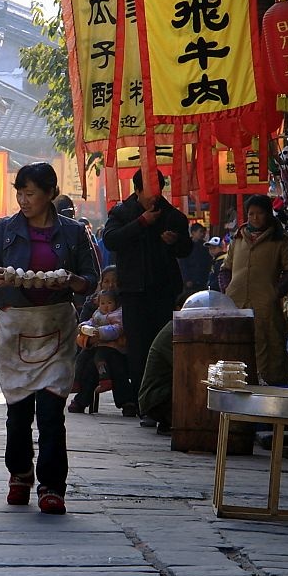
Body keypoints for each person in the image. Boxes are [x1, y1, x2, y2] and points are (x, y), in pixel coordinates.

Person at [0, 162, 98, 515]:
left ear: (50, 194)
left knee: (50, 411)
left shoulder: (73, 233)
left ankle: (52, 485)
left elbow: (92, 277)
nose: (23, 200)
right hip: (16, 328)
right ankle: (20, 472)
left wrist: (73, 282)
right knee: (17, 411)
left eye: (30, 193)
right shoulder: (6, 229)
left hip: (56, 327)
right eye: (20, 193)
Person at [102, 170, 192, 421]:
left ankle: (162, 402)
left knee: (162, 347)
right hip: (133, 291)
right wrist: (141, 222)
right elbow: (110, 240)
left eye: (159, 189)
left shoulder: (172, 215)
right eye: (149, 191)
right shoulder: (122, 213)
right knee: (138, 348)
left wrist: (174, 242)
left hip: (164, 290)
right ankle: (143, 403)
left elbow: (187, 249)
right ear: (138, 190)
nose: (155, 196)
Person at [220, 194, 288, 385]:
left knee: (270, 349)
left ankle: (272, 394)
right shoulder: (237, 239)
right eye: (251, 214)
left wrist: (274, 293)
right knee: (238, 348)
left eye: (259, 213)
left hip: (266, 306)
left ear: (268, 215)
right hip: (237, 305)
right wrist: (227, 291)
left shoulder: (279, 241)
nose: (254, 218)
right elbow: (225, 269)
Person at [68, 289, 129, 415]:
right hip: (94, 347)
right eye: (106, 282)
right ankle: (77, 384)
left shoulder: (119, 312)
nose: (106, 306)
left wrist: (100, 333)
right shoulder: (95, 310)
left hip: (115, 349)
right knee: (84, 360)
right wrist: (85, 330)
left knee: (112, 364)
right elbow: (87, 325)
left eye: (109, 303)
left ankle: (125, 400)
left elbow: (118, 329)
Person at [137, 321, 174, 435]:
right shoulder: (175, 331)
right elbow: (184, 366)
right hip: (156, 400)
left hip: (155, 397)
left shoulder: (174, 327)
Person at [178, 223, 212, 303]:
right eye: (200, 232)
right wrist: (186, 279)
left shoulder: (205, 246)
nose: (202, 234)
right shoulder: (186, 246)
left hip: (203, 279)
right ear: (193, 232)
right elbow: (183, 264)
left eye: (203, 232)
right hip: (191, 280)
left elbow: (208, 262)